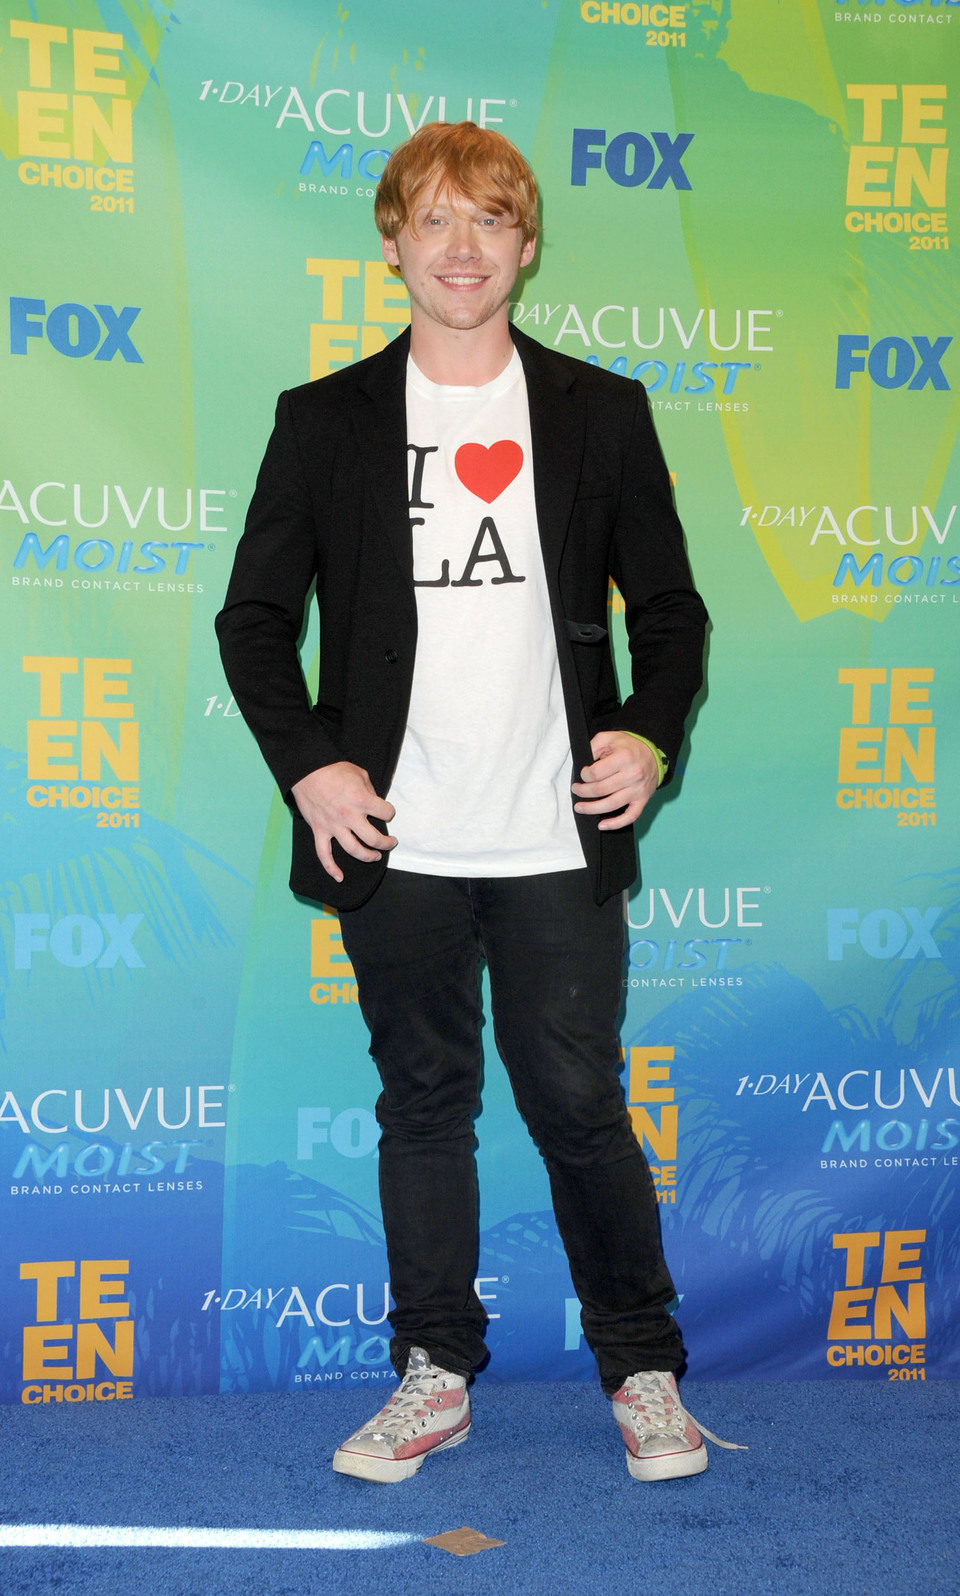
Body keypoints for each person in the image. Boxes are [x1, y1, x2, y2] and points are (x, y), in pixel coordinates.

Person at [216, 121, 711, 1485]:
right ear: (391, 244)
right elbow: (254, 623)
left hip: (557, 835)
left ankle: (644, 1369)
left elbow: (672, 614)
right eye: (433, 222)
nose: (461, 248)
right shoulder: (323, 422)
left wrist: (650, 737)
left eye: (489, 222)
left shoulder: (600, 412)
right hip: (398, 840)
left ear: (527, 246)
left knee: (577, 1104)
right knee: (423, 1107)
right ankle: (434, 1372)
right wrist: (313, 766)